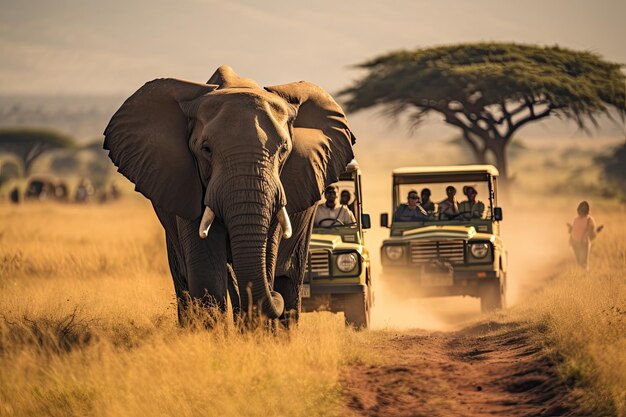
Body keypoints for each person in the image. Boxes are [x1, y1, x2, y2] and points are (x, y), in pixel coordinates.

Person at [567, 201, 602, 270]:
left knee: (582, 263)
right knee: (581, 262)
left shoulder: (585, 220)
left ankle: (584, 276)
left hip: (579, 243)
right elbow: (574, 230)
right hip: (579, 243)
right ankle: (584, 275)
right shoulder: (581, 219)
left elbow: (591, 231)